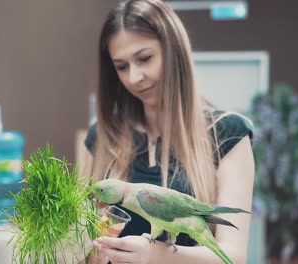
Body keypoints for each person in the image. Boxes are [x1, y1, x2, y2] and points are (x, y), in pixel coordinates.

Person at [82, 0, 255, 263]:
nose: (134, 77)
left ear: (174, 51)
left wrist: (157, 255)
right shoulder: (102, 136)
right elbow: (84, 240)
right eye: (122, 66)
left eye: (145, 58)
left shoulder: (229, 134)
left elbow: (233, 256)